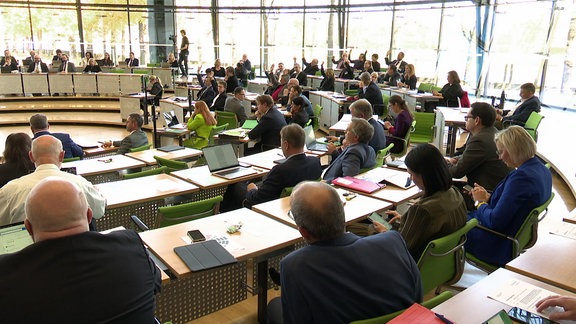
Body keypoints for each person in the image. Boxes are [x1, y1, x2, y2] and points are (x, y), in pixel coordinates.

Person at [0, 177, 160, 322]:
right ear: (89, 216)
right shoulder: (130, 246)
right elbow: (155, 283)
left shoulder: (5, 274)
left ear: (28, 227)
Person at [267, 181, 422, 324]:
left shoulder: (294, 266)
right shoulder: (393, 241)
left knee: (275, 305)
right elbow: (418, 297)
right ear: (343, 215)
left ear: (303, 232)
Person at [465, 126, 552, 266]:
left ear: (513, 149)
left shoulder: (521, 178)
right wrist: (488, 197)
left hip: (497, 243)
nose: (499, 157)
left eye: (501, 152)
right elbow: (513, 201)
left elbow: (495, 222)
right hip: (513, 235)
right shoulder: (541, 169)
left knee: (451, 223)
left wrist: (480, 203)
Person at [373, 144, 467, 260]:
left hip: (412, 268)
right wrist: (407, 220)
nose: (411, 179)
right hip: (443, 261)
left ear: (425, 176)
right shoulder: (455, 194)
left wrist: (385, 232)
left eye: (411, 174)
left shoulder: (423, 210)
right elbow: (434, 228)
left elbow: (402, 251)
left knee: (369, 234)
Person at [0, 135, 106, 227]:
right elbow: (99, 210)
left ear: (31, 156)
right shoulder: (80, 184)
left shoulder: (10, 190)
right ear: (62, 155)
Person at [221, 124, 322, 212]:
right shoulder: (315, 162)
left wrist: (252, 190)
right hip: (299, 206)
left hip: (270, 207)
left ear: (286, 145)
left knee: (235, 185)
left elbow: (258, 199)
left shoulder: (280, 170)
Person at [446, 102, 511, 195]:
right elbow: (470, 155)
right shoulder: (493, 132)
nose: (465, 121)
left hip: (486, 194)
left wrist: (441, 165)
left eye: (467, 118)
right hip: (496, 190)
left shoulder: (480, 140)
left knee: (438, 185)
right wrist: (454, 159)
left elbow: (457, 172)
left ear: (477, 120)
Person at [323, 118, 376, 183]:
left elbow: (348, 179)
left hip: (329, 185)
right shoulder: (371, 150)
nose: (345, 132)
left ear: (356, 137)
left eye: (348, 130)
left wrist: (326, 182)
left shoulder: (353, 153)